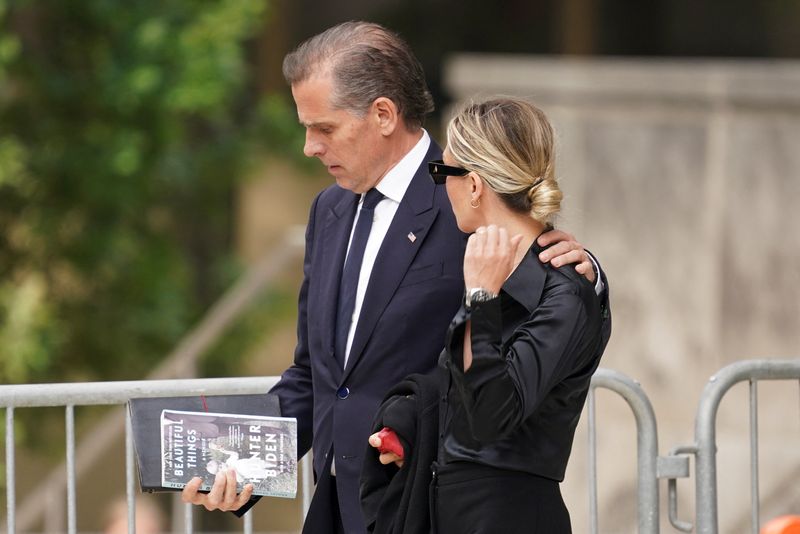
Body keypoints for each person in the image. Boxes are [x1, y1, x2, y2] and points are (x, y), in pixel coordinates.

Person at [182, 22, 600, 534]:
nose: (309, 147)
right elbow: (319, 379)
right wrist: (234, 466)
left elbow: (540, 306)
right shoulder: (328, 212)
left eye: (325, 128)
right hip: (338, 507)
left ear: (382, 113)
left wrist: (588, 270)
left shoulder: (470, 202)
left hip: (430, 510)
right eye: (305, 128)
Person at [365, 97, 611, 533]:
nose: (440, 185)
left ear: (475, 185)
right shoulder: (490, 268)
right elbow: (460, 389)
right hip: (454, 510)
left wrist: (481, 296)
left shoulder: (564, 291)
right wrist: (407, 421)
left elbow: (490, 415)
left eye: (443, 172)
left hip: (511, 516)